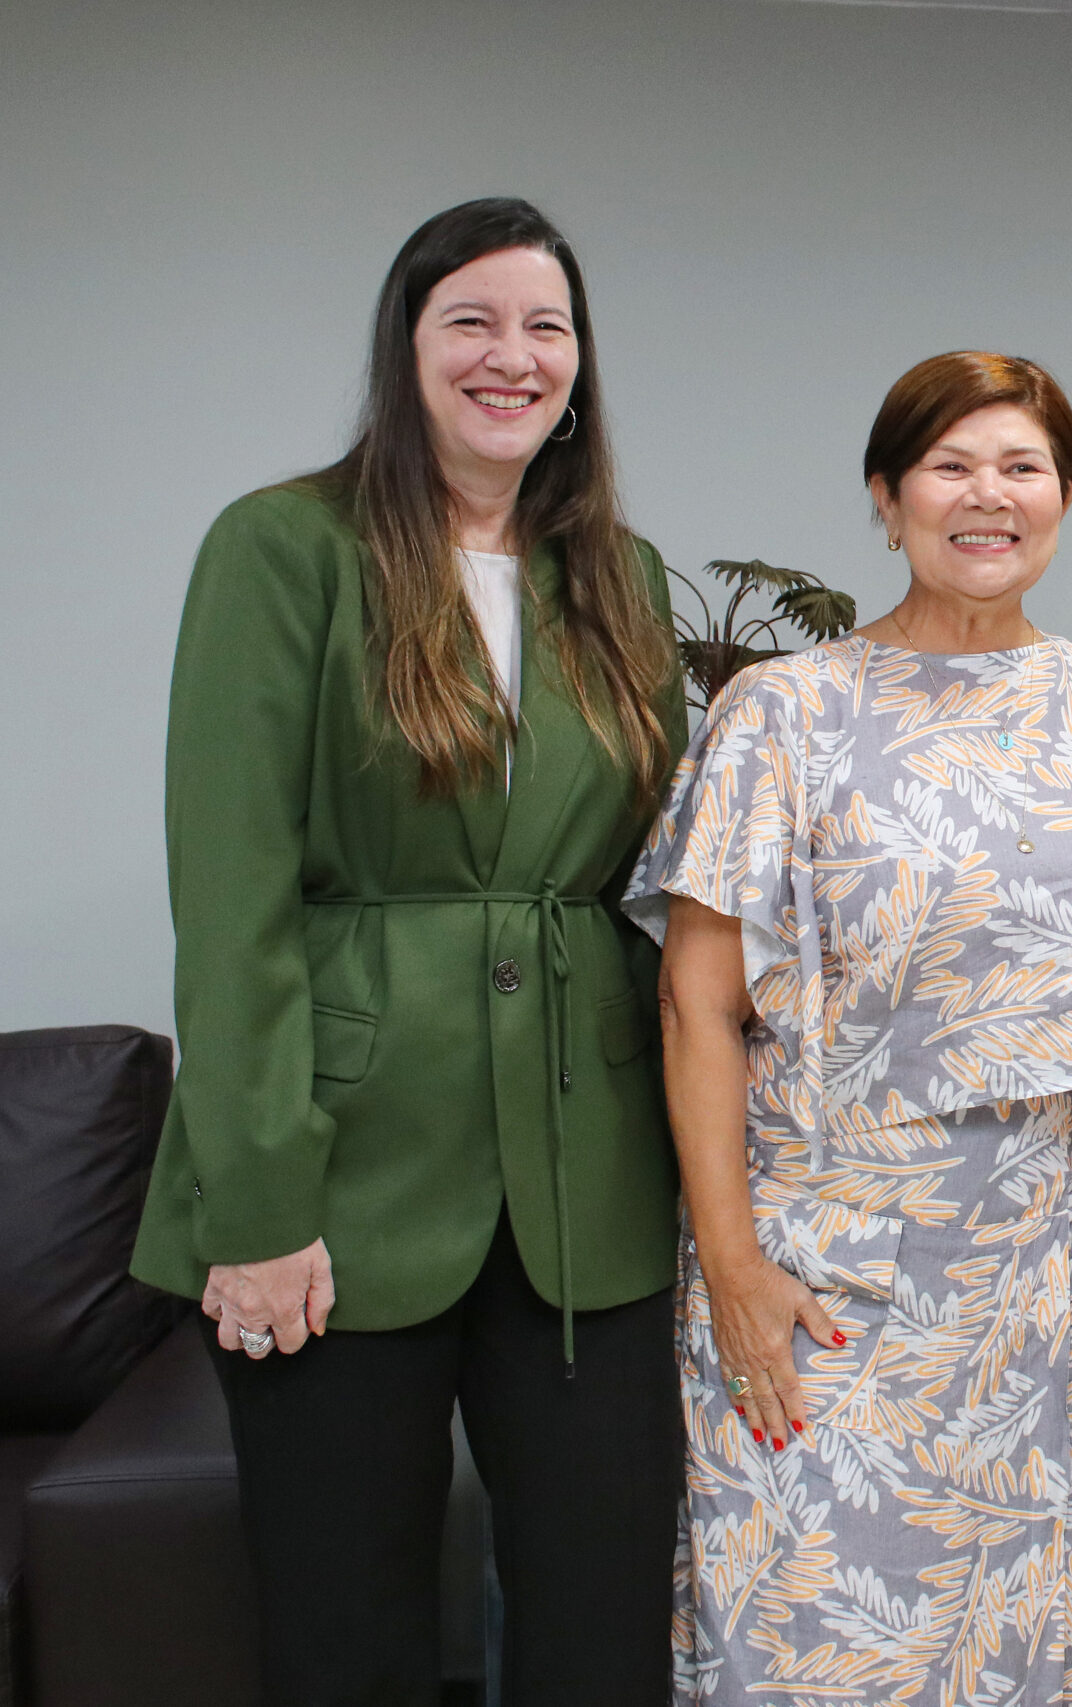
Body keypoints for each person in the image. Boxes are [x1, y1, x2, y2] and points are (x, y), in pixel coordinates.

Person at [130, 197, 687, 1704]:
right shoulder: (281, 548)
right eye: (473, 321)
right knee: (344, 1625)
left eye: (547, 327)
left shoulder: (620, 580)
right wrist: (255, 1197)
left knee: (606, 1612)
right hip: (340, 1176)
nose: (513, 357)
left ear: (580, 367)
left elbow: (655, 888)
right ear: (409, 347)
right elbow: (230, 894)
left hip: (593, 1184)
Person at [632, 350, 1072, 1706]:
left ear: (1064, 498)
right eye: (951, 466)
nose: (988, 497)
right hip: (826, 1270)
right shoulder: (785, 712)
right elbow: (696, 1005)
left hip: (1046, 1282)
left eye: (1023, 468)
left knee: (1040, 1650)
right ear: (887, 500)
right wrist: (737, 1268)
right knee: (814, 1637)